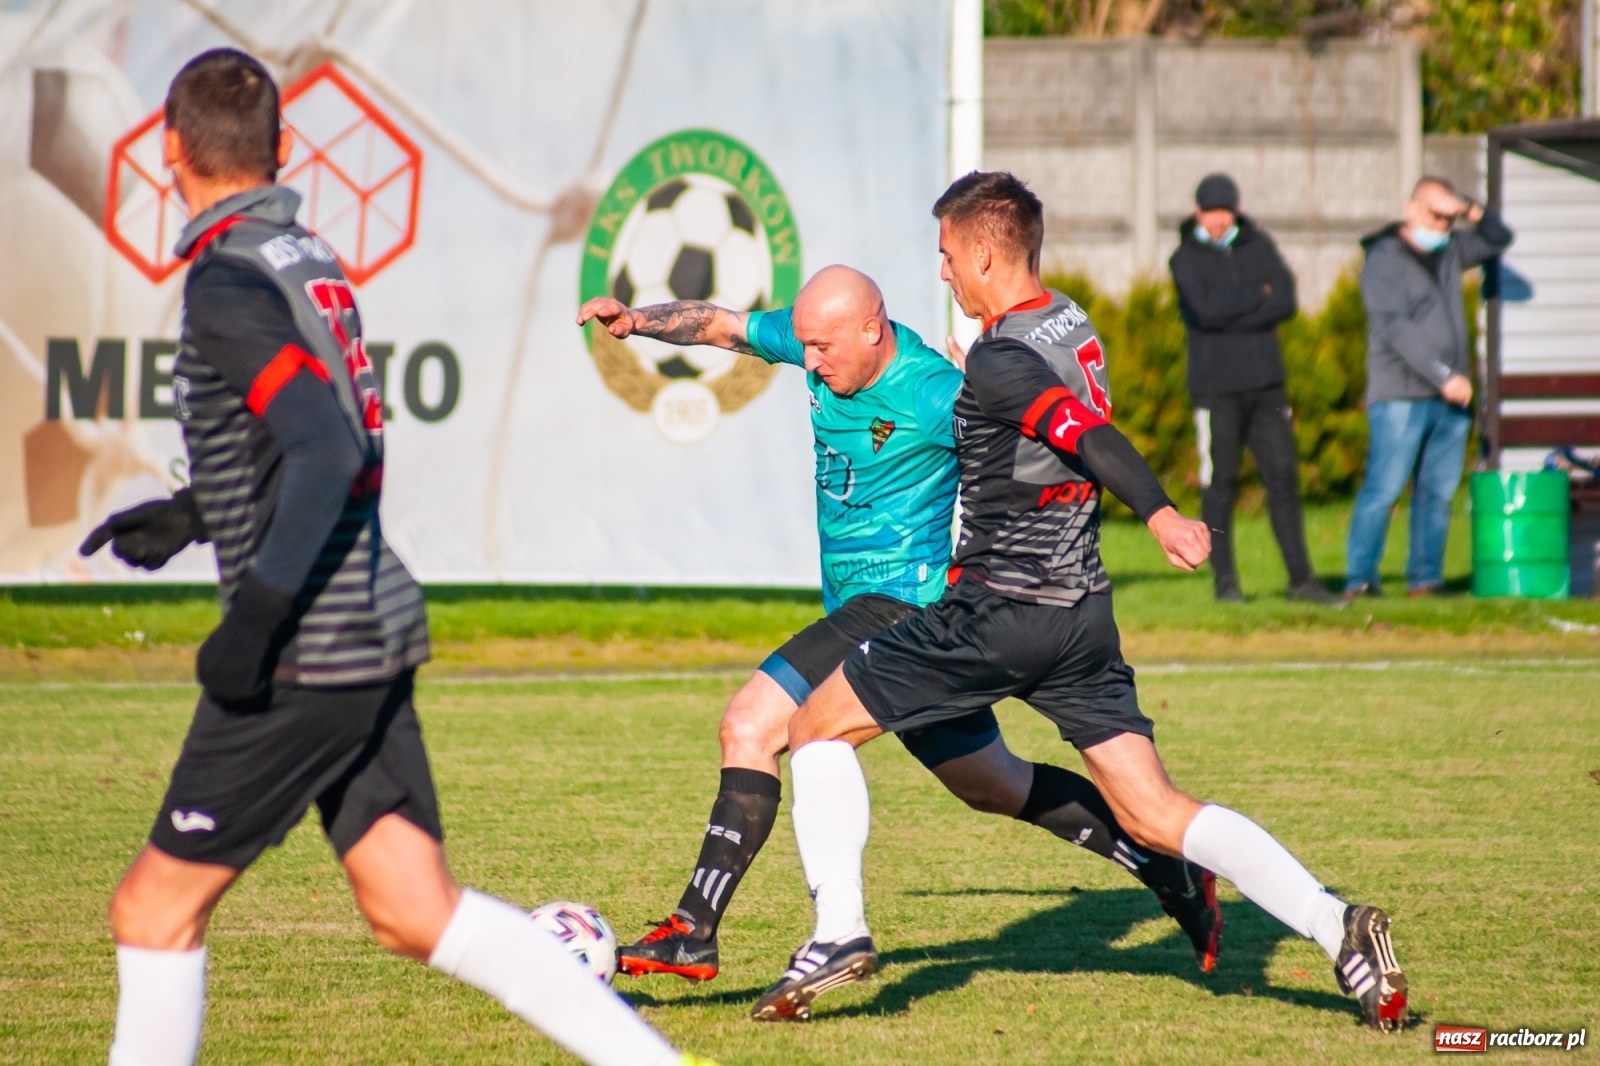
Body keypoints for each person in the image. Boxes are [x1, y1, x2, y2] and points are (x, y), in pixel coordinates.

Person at [83, 49, 712, 1066]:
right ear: (281, 147)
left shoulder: (229, 278)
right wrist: (199, 510)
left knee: (151, 909)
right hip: (371, 625)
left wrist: (251, 624)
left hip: (307, 647)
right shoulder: (309, 258)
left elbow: (327, 448)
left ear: (167, 149)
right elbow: (329, 437)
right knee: (414, 909)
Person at [755, 171, 1408, 1032]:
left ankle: (839, 933)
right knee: (1154, 811)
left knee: (813, 727)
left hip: (997, 610)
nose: (943, 273)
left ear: (986, 252)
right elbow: (1040, 421)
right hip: (1082, 615)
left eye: (948, 256)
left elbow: (1079, 431)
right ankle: (1337, 924)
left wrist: (1163, 509)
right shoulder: (1067, 321)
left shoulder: (1000, 356)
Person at [576, 270, 1220, 986]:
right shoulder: (819, 339)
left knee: (750, 726)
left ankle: (694, 930)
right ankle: (1167, 868)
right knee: (992, 784)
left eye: (823, 348)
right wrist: (638, 320)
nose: (810, 362)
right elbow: (722, 325)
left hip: (898, 607)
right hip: (879, 618)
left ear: (871, 330)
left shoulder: (936, 393)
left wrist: (1148, 510)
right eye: (805, 346)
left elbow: (1053, 439)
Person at [1169, 173, 1335, 604]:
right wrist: (1253, 297)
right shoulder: (1183, 258)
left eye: (1225, 212)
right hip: (1215, 391)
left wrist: (1236, 302)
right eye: (1211, 213)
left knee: (1282, 478)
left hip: (1266, 387)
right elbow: (1203, 312)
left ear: (1236, 211)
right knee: (1220, 483)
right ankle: (1225, 582)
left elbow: (1285, 301)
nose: (1219, 221)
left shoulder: (1258, 245)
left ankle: (1302, 580)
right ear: (1197, 212)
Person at [1345, 176, 1514, 598]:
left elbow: (1499, 237)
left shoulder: (1452, 250)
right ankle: (1360, 578)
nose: (1442, 224)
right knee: (1383, 489)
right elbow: (1396, 329)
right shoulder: (1383, 260)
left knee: (1436, 494)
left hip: (1450, 397)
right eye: (1435, 214)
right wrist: (1444, 377)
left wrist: (1468, 208)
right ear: (1410, 209)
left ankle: (1425, 579)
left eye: (1448, 217)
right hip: (1402, 394)